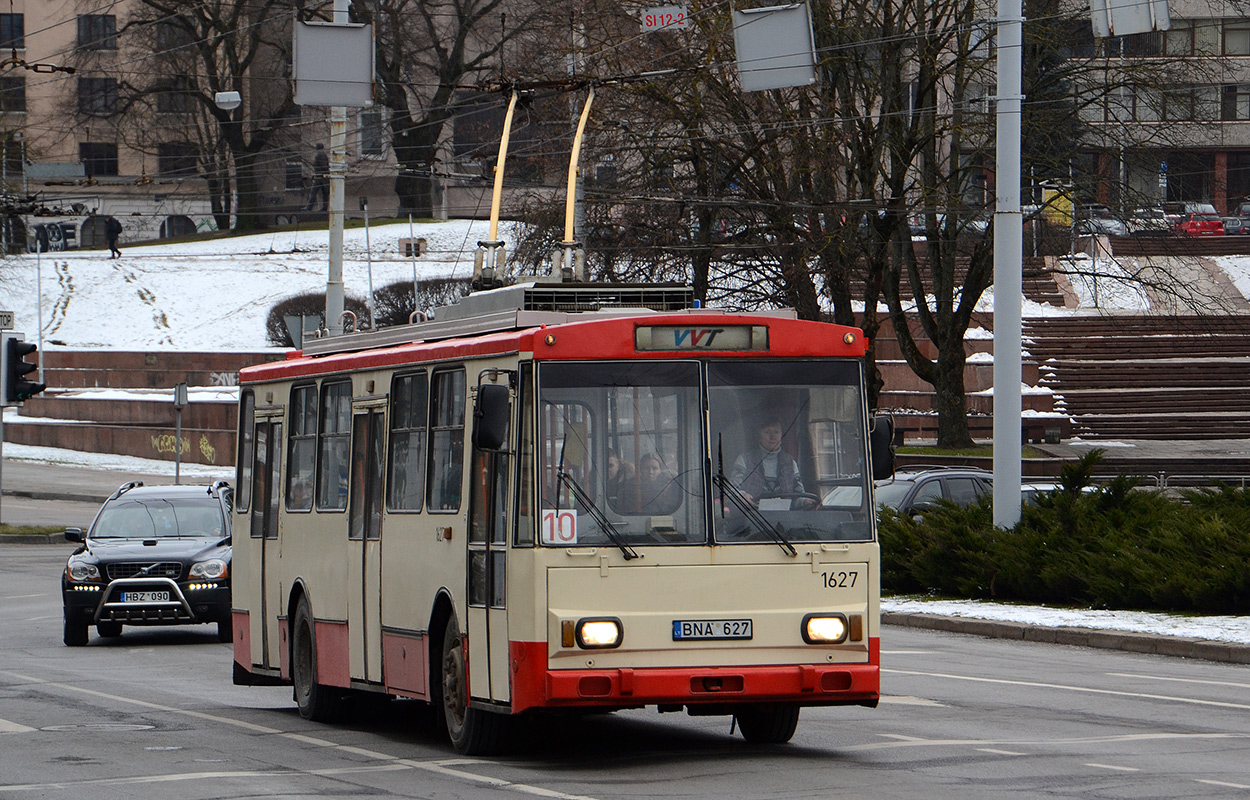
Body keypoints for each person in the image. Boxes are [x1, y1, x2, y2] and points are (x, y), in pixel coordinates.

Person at [729, 417, 806, 507]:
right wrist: (741, 496)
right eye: (767, 432)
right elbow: (730, 490)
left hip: (785, 515)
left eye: (776, 432)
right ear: (759, 436)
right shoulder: (744, 460)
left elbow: (798, 496)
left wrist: (804, 502)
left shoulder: (790, 463)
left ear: (782, 436)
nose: (773, 437)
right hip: (752, 514)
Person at [306, 144, 329, 211]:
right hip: (322, 177)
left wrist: (318, 171)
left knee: (313, 192)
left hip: (320, 177)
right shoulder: (323, 155)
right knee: (324, 193)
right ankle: (324, 207)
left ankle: (309, 207)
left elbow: (324, 166)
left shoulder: (320, 155)